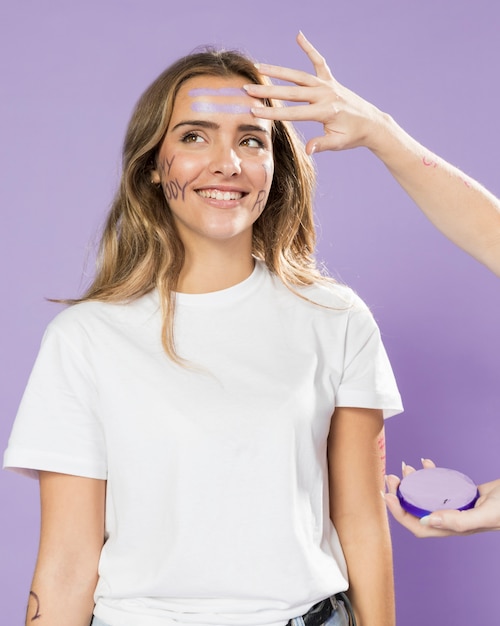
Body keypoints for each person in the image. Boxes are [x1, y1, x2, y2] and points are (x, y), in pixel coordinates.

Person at [3, 33, 404, 626]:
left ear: (277, 167)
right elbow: (66, 560)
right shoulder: (84, 338)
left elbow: (363, 524)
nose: (228, 163)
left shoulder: (337, 318)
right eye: (194, 136)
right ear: (152, 167)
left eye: (251, 140)